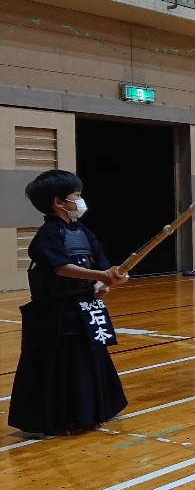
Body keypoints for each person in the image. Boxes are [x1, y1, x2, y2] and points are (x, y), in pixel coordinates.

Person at [9, 170, 129, 436]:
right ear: (58, 202)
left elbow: (101, 264)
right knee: (64, 364)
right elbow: (61, 267)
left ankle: (91, 414)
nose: (81, 200)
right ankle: (61, 419)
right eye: (77, 195)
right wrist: (100, 276)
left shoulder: (83, 231)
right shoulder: (48, 234)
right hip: (57, 313)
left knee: (89, 361)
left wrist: (104, 282)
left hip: (86, 309)